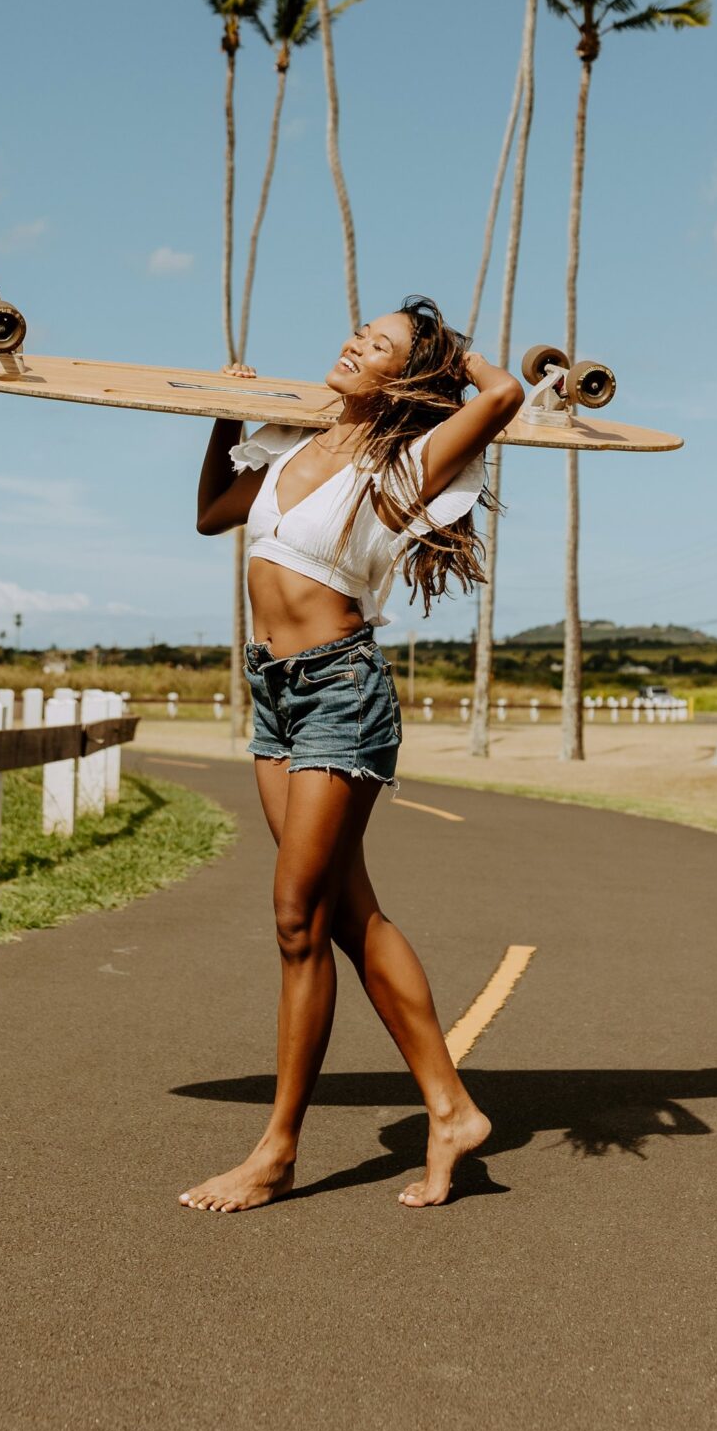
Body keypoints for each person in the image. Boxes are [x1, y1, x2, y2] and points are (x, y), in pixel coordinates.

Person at [181, 296, 524, 1214]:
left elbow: (500, 394)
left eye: (379, 344)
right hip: (274, 695)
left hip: (341, 693)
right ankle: (450, 1109)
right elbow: (216, 513)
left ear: (404, 376)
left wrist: (446, 362)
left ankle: (277, 1152)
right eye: (358, 330)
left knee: (296, 917)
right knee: (339, 915)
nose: (353, 342)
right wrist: (224, 413)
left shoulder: (408, 461)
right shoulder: (292, 445)